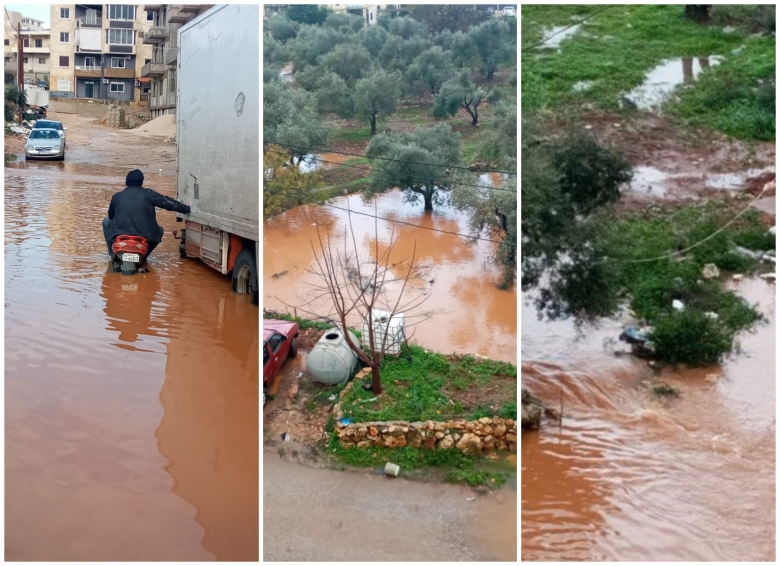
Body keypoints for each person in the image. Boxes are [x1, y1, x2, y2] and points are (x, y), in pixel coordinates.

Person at [103, 169, 191, 260]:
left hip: (119, 236)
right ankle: (143, 256)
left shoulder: (117, 196)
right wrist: (186, 208)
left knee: (106, 221)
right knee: (160, 230)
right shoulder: (148, 194)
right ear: (141, 182)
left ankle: (112, 254)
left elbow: (111, 216)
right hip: (145, 237)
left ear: (127, 181)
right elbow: (167, 202)